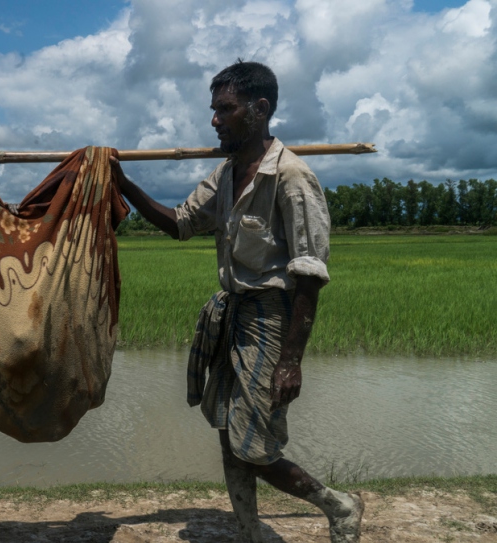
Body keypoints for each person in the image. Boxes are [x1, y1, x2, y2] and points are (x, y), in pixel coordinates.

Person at [111, 60, 364, 543]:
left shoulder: (290, 177)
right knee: (230, 432)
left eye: (225, 109)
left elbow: (309, 277)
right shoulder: (226, 174)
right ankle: (250, 532)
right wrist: (123, 184)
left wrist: (291, 360)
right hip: (232, 314)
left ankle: (340, 505)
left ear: (259, 109)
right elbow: (180, 223)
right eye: (213, 110)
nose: (214, 120)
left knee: (255, 447)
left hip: (271, 320)